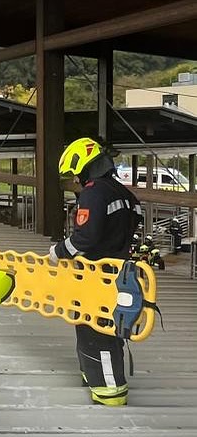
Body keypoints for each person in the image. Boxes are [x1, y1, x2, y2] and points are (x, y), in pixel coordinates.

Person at [49, 137, 143, 406]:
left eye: (75, 175)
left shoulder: (94, 193)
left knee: (94, 332)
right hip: (119, 274)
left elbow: (85, 238)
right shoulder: (125, 194)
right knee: (109, 329)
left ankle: (109, 390)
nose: (75, 180)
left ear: (84, 167)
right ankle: (94, 375)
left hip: (96, 276)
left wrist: (58, 251)